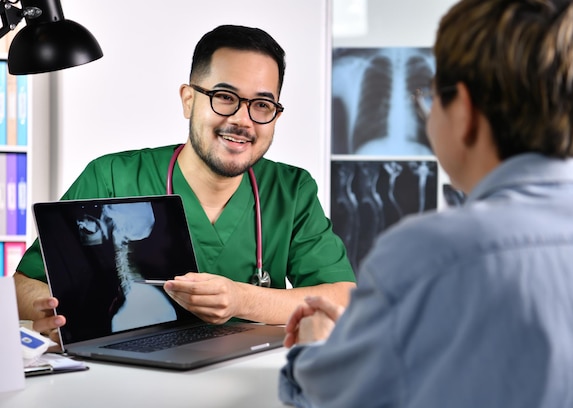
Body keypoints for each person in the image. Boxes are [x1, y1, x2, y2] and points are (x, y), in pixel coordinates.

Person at [279, 1, 573, 408]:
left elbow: (332, 395)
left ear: (462, 110)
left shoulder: (425, 254)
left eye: (429, 98)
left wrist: (319, 344)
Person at [14, 24, 356, 339]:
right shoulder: (112, 177)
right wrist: (64, 312)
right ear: (189, 100)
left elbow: (342, 298)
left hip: (249, 382)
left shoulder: (291, 190)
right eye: (225, 97)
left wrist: (241, 300)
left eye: (262, 104)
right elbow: (23, 284)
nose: (242, 120)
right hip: (130, 378)